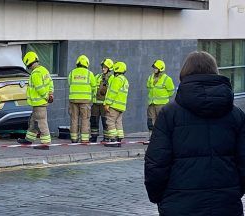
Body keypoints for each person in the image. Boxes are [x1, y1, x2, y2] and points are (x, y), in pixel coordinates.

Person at [144, 51, 245, 216]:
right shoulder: (236, 115)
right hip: (226, 205)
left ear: (184, 73)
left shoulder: (169, 114)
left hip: (178, 205)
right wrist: (232, 192)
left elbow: (156, 163)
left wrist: (159, 197)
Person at [17, 51, 54, 150]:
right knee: (33, 122)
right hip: (40, 103)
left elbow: (39, 88)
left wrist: (46, 96)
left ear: (29, 63)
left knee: (41, 123)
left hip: (39, 103)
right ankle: (29, 139)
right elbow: (51, 83)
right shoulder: (44, 70)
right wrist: (50, 94)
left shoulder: (35, 73)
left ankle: (46, 143)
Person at [68, 55, 96, 143]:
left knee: (74, 119)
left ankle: (74, 139)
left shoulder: (72, 73)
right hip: (85, 100)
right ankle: (84, 139)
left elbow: (69, 83)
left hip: (73, 100)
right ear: (87, 64)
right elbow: (94, 87)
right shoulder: (89, 74)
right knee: (85, 119)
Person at [102, 62, 129, 147]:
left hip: (114, 105)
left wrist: (107, 104)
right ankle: (119, 139)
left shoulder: (117, 79)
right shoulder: (125, 80)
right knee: (118, 122)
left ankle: (113, 140)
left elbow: (112, 93)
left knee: (110, 121)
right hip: (121, 106)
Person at [146, 60, 174, 137]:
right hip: (151, 103)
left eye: (156, 68)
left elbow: (171, 91)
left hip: (161, 104)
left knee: (162, 121)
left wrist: (163, 98)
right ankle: (152, 136)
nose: (154, 69)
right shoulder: (150, 77)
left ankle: (162, 136)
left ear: (160, 69)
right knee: (151, 121)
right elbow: (148, 87)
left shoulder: (167, 79)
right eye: (154, 67)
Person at [90, 58, 113, 143]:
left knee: (105, 121)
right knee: (94, 120)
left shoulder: (112, 78)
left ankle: (106, 137)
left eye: (105, 67)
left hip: (105, 104)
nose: (103, 69)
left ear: (109, 69)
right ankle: (94, 137)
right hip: (96, 103)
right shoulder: (98, 76)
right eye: (103, 67)